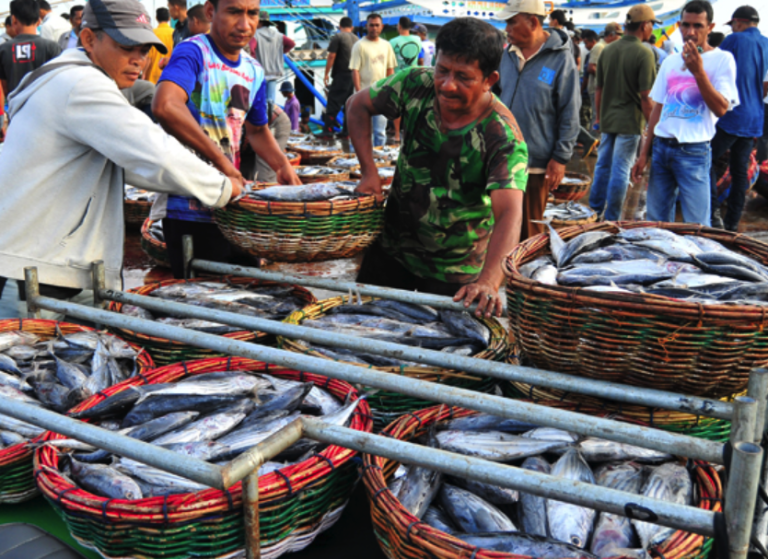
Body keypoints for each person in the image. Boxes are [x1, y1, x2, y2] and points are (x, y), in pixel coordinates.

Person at [0, 0, 240, 314]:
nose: (138, 59)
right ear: (88, 39)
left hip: (51, 267)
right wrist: (225, 188)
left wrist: (201, 184)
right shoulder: (81, 84)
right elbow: (155, 152)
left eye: (143, 50)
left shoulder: (69, 79)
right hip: (32, 278)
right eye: (126, 46)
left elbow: (130, 164)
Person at [348, 17, 528, 318]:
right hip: (393, 251)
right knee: (363, 328)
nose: (448, 85)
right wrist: (369, 172)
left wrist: (489, 281)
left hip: (455, 272)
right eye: (442, 70)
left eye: (463, 76)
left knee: (441, 354)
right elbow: (357, 105)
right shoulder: (415, 83)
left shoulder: (502, 136)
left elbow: (510, 213)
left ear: (489, 80)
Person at [152, 0, 300, 279]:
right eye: (234, 12)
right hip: (189, 209)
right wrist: (222, 163)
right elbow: (165, 106)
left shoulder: (253, 69)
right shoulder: (194, 52)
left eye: (252, 13)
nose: (245, 25)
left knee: (248, 296)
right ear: (211, 12)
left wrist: (282, 166)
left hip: (234, 210)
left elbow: (257, 130)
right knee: (201, 307)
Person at [634, 0, 738, 226]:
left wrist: (698, 72)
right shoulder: (670, 61)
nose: (691, 32)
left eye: (698, 26)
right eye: (686, 25)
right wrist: (644, 153)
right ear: (679, 25)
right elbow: (658, 108)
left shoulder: (722, 60)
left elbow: (721, 108)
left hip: (694, 151)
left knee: (697, 225)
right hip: (662, 148)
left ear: (710, 27)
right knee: (656, 224)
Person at [497, 0, 580, 240]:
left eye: (512, 22)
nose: (507, 28)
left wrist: (560, 157)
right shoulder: (507, 55)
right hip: (503, 157)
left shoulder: (561, 59)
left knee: (530, 229)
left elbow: (570, 110)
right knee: (501, 226)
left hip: (536, 162)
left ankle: (525, 276)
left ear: (533, 22)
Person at [588, 4, 657, 221]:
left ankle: (594, 211)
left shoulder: (608, 49)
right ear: (644, 25)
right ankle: (612, 218)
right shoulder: (644, 53)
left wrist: (599, 117)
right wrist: (652, 125)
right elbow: (646, 96)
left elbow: (598, 89)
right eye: (652, 25)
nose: (652, 30)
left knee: (603, 166)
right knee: (621, 169)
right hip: (629, 121)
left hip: (608, 118)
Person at [708, 5, 768, 231]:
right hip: (754, 118)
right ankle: (732, 224)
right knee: (740, 171)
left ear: (739, 23)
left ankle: (713, 217)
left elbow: (713, 73)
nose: (733, 28)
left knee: (707, 161)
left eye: (733, 24)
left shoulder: (733, 40)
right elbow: (765, 86)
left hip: (732, 116)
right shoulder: (767, 43)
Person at [349, 13, 396, 147]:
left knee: (380, 133)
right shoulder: (359, 45)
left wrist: (389, 91)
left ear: (382, 27)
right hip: (363, 96)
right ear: (366, 26)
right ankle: (356, 162)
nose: (374, 28)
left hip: (381, 96)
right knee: (361, 132)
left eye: (377, 25)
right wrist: (358, 93)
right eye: (371, 25)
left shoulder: (387, 45)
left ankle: (378, 162)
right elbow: (355, 70)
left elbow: (390, 70)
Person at [0, 0, 61, 97]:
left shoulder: (3, 49)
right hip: (46, 105)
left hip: (16, 108)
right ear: (38, 21)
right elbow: (59, 81)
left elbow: (3, 88)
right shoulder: (52, 47)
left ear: (13, 20)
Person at [389, 16, 422, 143]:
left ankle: (397, 135)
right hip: (414, 75)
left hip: (398, 76)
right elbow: (419, 57)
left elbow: (390, 62)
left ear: (399, 26)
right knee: (411, 107)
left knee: (397, 107)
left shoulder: (392, 42)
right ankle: (411, 134)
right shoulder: (417, 39)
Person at [323, 16, 357, 138]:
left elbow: (332, 56)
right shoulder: (357, 39)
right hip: (353, 76)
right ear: (352, 27)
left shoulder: (338, 37)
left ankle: (328, 131)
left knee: (333, 102)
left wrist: (326, 73)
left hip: (341, 75)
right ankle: (346, 132)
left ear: (339, 27)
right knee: (349, 104)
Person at [253, 12, 295, 103]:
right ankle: (270, 115)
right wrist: (279, 52)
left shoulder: (255, 35)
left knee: (260, 100)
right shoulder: (278, 35)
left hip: (261, 73)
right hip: (274, 72)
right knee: (271, 100)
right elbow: (291, 44)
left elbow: (251, 50)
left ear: (259, 22)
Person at [144, 8, 174, 84]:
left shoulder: (152, 33)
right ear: (169, 18)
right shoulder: (174, 33)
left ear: (156, 18)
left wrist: (143, 73)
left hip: (152, 77)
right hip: (169, 76)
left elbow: (148, 58)